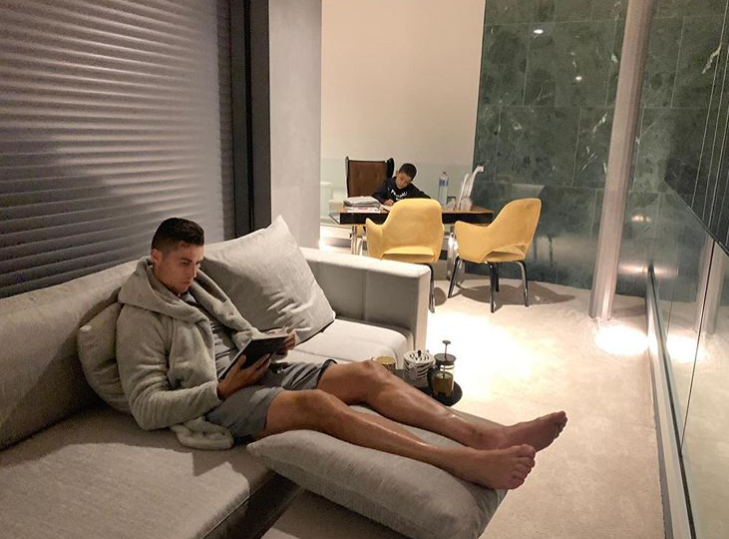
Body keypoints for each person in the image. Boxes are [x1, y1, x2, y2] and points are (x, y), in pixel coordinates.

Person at [116, 217, 568, 490]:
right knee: (319, 405)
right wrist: (220, 388)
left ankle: (481, 435)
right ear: (156, 257)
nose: (194, 272)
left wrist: (269, 341)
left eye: (198, 262)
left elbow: (233, 332)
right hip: (217, 402)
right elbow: (146, 408)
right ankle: (457, 461)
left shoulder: (196, 286)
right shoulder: (139, 318)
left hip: (252, 368)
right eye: (184, 263)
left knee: (368, 372)